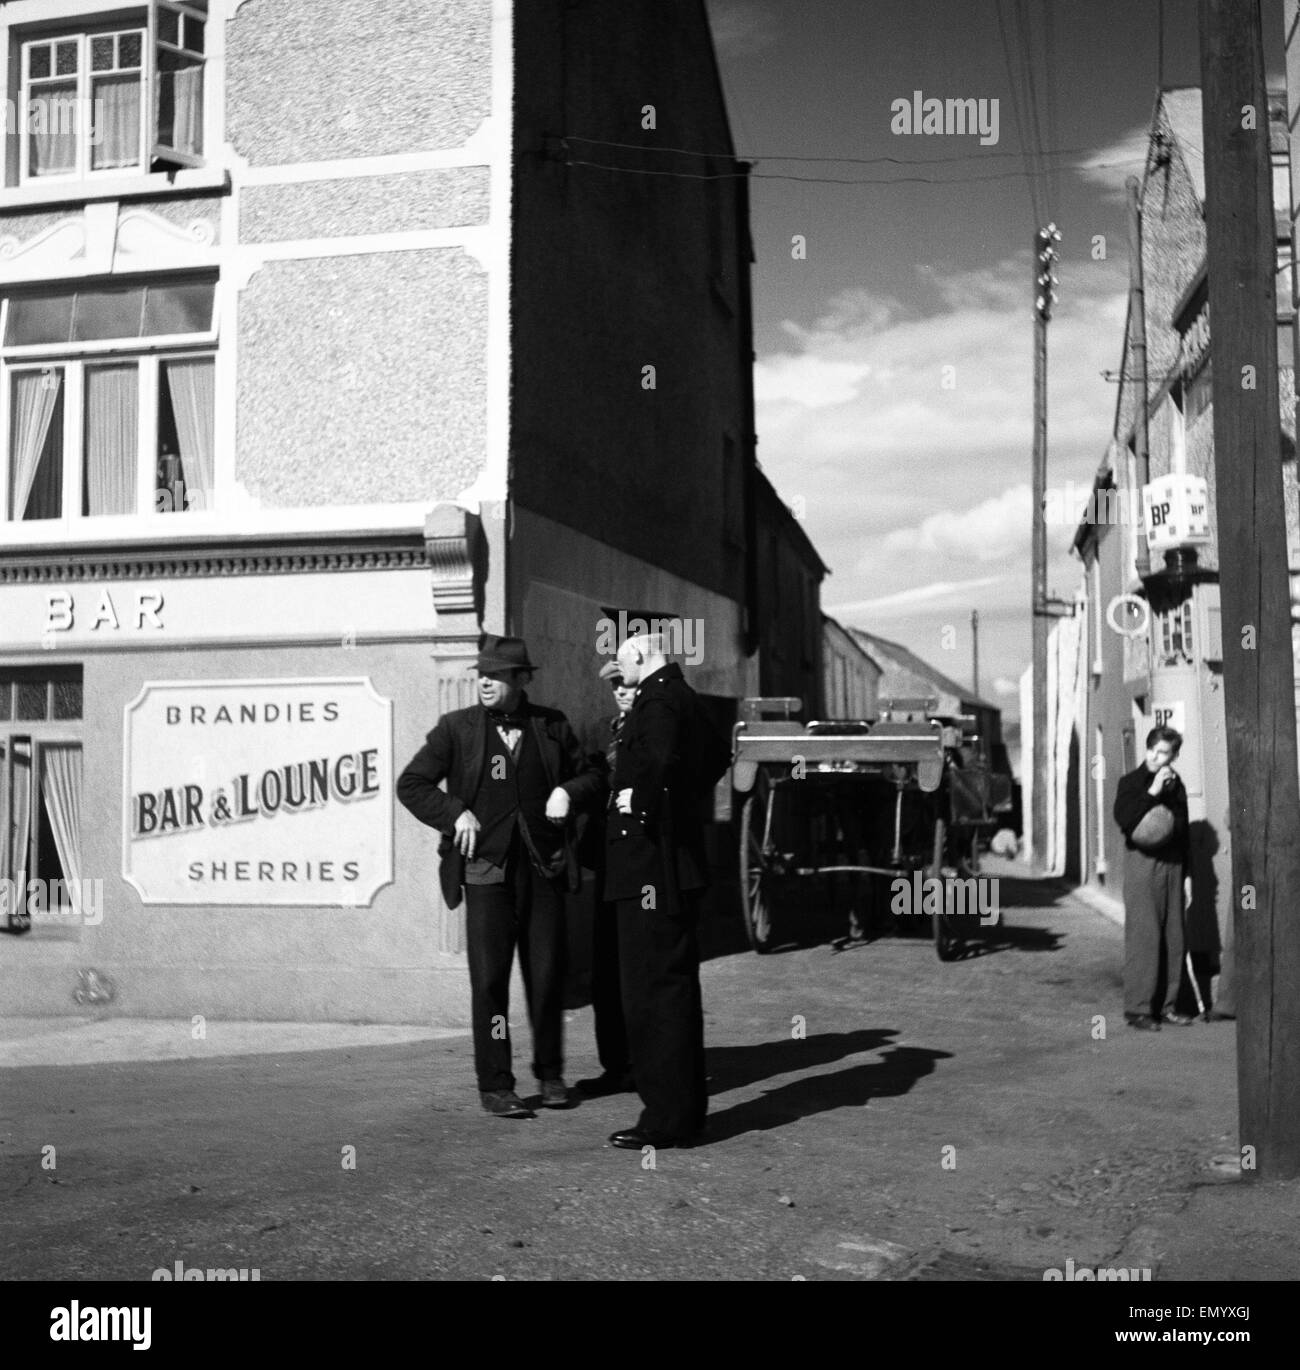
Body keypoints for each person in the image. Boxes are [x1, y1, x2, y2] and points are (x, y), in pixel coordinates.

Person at [396, 634, 600, 1117]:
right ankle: (495, 1084)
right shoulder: (457, 729)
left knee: (547, 978)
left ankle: (551, 1075)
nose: (485, 683)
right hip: (485, 873)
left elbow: (595, 776)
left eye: (496, 676)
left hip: (543, 870)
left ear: (520, 679)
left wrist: (568, 792)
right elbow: (412, 783)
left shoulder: (552, 727)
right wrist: (454, 814)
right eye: (481, 675)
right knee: (489, 982)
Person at [604, 633, 729, 1149]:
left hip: (650, 868)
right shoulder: (687, 697)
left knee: (652, 994)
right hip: (674, 865)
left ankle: (664, 1120)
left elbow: (654, 760)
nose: (617, 670)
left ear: (639, 657)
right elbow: (718, 755)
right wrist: (678, 802)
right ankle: (683, 1114)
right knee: (673, 989)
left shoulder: (656, 699)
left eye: (620, 661)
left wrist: (643, 810)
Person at [572, 660, 638, 1098]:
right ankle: (615, 1065)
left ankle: (648, 1062)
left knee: (640, 967)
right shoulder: (599, 731)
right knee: (605, 967)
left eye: (626, 683)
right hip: (606, 859)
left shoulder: (658, 727)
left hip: (645, 865)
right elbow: (585, 780)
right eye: (614, 684)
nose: (619, 690)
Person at [1113, 725, 1193, 1031]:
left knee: (1175, 936)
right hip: (1142, 863)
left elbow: (1183, 830)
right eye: (1154, 751)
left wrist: (1188, 874)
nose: (1158, 758)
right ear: (1147, 750)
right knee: (1144, 936)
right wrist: (1153, 791)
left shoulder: (1178, 785)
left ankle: (1168, 1005)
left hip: (1173, 864)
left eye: (1165, 753)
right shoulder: (1130, 782)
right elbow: (1125, 818)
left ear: (1174, 755)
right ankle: (1138, 1009)